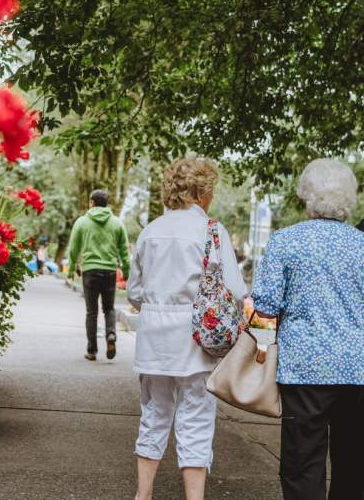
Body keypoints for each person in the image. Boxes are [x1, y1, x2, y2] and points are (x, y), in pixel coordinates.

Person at [128, 157, 246, 500]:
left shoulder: (150, 231)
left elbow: (135, 292)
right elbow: (236, 290)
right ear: (202, 191)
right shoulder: (212, 230)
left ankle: (143, 494)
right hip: (197, 341)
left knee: (153, 414)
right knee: (196, 418)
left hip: (153, 341)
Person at [252, 158, 364, 500]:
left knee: (303, 464)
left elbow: (266, 305)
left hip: (305, 370)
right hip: (357, 369)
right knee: (354, 465)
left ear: (306, 196)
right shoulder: (361, 244)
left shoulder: (286, 241)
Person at [67, 189, 130, 361]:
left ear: (92, 203)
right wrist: (127, 271)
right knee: (109, 308)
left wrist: (71, 268)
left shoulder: (82, 222)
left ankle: (92, 350)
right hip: (110, 270)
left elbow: (73, 248)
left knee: (91, 312)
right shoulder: (117, 223)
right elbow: (124, 249)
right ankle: (111, 336)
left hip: (90, 271)